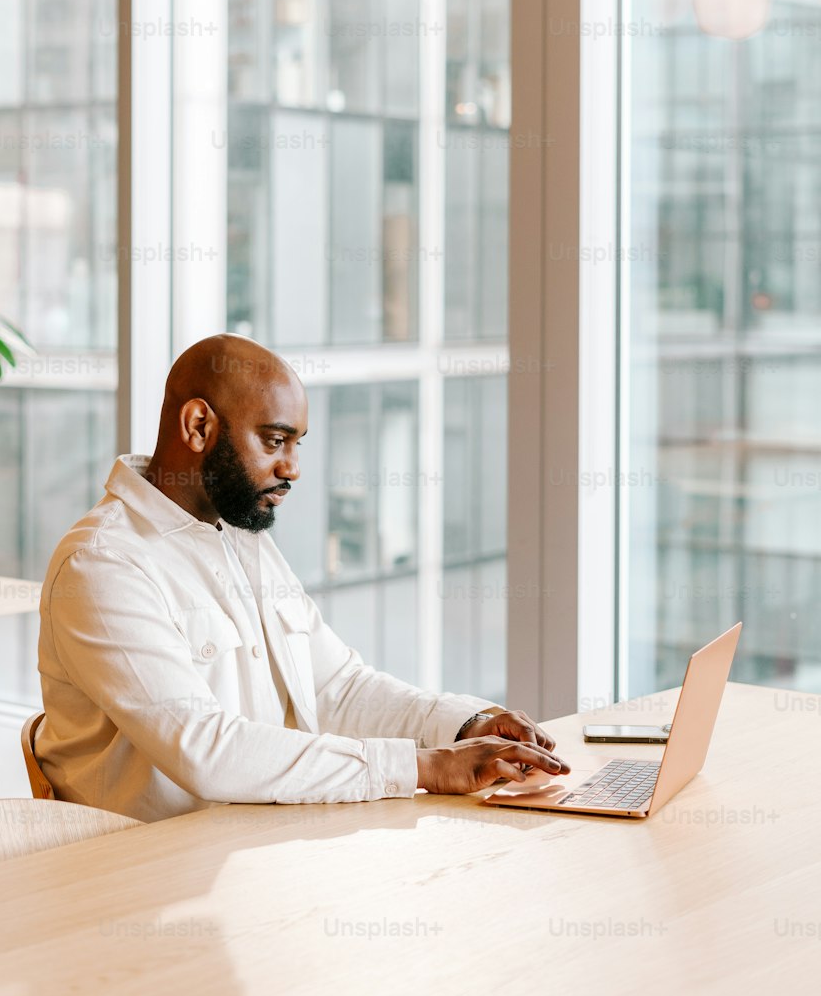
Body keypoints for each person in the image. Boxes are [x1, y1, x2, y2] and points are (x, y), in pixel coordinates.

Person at [37, 334, 569, 820]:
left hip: (261, 851)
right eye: (274, 441)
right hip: (144, 885)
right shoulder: (102, 563)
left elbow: (335, 687)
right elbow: (205, 750)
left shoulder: (242, 539)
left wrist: (463, 726)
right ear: (198, 427)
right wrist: (424, 768)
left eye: (297, 444)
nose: (292, 468)